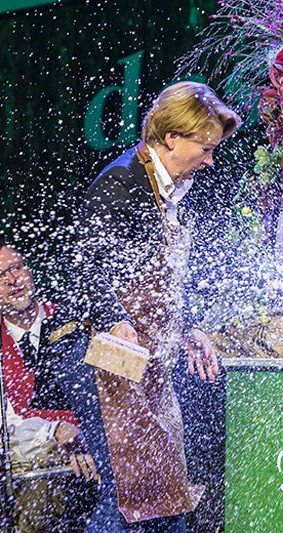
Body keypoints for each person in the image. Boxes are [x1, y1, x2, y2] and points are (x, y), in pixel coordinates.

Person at [48, 81, 241, 532]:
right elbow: (86, 267)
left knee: (161, 483)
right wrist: (116, 321)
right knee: (126, 485)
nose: (209, 161)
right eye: (205, 148)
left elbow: (163, 277)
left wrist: (188, 326)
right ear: (173, 137)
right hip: (97, 354)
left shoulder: (173, 191)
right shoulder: (123, 181)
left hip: (142, 355)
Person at [0, 241, 98, 530]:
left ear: (30, 272)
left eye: (15, 268)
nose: (11, 281)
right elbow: (7, 429)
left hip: (99, 454)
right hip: (38, 471)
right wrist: (54, 432)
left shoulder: (74, 319)